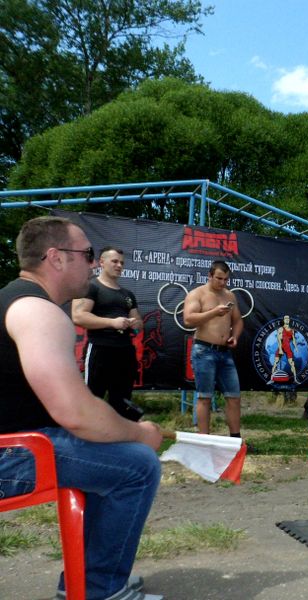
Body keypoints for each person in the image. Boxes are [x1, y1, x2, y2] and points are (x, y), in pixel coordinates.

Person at [0, 216, 163, 600]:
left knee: (108, 453)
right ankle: (98, 590)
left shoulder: (12, 300)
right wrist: (140, 433)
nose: (93, 263)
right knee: (138, 466)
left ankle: (86, 581)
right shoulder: (39, 312)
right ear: (56, 257)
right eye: (87, 254)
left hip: (13, 444)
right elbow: (75, 413)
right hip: (11, 454)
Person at [72, 246, 144, 421]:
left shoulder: (128, 294)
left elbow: (139, 324)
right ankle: (88, 436)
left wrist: (135, 324)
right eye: (115, 261)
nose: (119, 265)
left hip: (125, 351)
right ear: (102, 262)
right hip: (100, 349)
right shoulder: (91, 287)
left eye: (122, 263)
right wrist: (112, 322)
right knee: (92, 398)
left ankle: (119, 436)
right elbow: (78, 316)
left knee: (123, 401)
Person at [184, 261, 245, 438]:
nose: (223, 282)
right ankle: (205, 441)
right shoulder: (197, 294)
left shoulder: (229, 295)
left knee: (234, 397)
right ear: (209, 275)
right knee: (204, 397)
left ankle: (235, 440)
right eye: (219, 278)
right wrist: (213, 312)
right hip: (204, 350)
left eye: (226, 279)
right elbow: (188, 319)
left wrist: (235, 336)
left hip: (225, 352)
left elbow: (238, 321)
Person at [269, 315, 300, 384]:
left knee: (292, 364)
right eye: (285, 319)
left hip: (288, 347)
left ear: (289, 320)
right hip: (281, 347)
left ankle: (295, 379)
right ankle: (271, 379)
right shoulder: (281, 329)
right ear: (284, 320)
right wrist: (280, 349)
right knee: (275, 363)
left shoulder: (291, 330)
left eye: (288, 319)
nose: (287, 320)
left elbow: (294, 340)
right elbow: (279, 339)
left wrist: (296, 347)